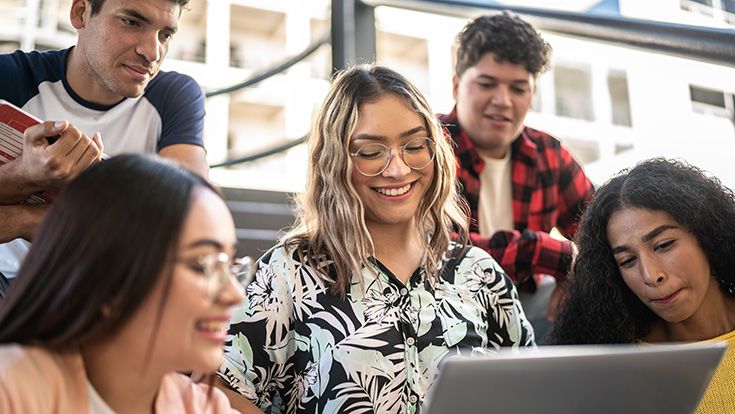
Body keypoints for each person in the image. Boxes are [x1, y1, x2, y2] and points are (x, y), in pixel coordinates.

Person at [215, 65, 535, 413]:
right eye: (370, 153)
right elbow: (221, 389)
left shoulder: (479, 273)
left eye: (414, 146)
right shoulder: (289, 271)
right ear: (333, 161)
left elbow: (534, 387)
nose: (397, 169)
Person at [0, 154, 248, 413]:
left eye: (231, 265)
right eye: (203, 265)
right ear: (108, 279)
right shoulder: (11, 392)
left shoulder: (204, 407)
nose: (234, 294)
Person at [0, 0, 208, 289]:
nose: (152, 52)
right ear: (81, 12)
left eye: (165, 35)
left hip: (111, 288)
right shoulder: (10, 77)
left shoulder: (174, 95)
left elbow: (195, 224)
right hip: (12, 283)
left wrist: (24, 220)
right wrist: (25, 175)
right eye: (131, 22)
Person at [439, 11, 594, 338]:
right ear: (456, 85)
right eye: (487, 84)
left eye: (518, 88)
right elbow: (436, 247)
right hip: (443, 307)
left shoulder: (548, 155)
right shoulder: (426, 146)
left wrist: (577, 272)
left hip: (525, 307)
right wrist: (547, 253)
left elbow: (603, 231)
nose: (503, 101)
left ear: (531, 94)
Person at [550, 158, 735, 413]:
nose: (650, 275)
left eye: (663, 245)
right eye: (627, 260)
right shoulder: (617, 368)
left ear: (706, 233)